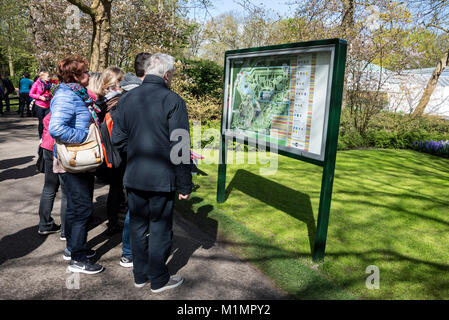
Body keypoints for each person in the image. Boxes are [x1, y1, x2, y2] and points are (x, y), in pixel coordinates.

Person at [111, 53, 192, 292]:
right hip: (161, 178)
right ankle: (157, 279)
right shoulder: (173, 100)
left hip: (135, 175)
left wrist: (136, 153)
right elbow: (180, 145)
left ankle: (140, 275)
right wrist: (185, 183)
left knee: (137, 225)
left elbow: (118, 139)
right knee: (159, 228)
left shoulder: (126, 99)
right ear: (167, 74)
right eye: (172, 74)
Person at [49, 55, 103, 275]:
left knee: (75, 207)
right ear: (74, 76)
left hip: (81, 161)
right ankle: (78, 259)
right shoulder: (66, 96)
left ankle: (74, 248)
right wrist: (84, 137)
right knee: (81, 209)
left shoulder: (76, 94)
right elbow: (56, 128)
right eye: (84, 72)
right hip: (75, 159)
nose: (88, 75)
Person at [118, 52, 152, 268]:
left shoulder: (126, 93)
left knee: (136, 208)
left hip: (133, 160)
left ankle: (130, 250)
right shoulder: (137, 96)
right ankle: (129, 251)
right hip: (139, 161)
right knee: (138, 209)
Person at [94, 66, 126, 236]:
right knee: (118, 188)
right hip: (117, 151)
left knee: (115, 188)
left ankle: (113, 222)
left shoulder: (98, 101)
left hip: (105, 151)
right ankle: (117, 221)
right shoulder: (120, 102)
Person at [37, 112, 67, 239]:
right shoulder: (73, 101)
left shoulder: (56, 103)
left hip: (48, 146)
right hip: (63, 148)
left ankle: (45, 224)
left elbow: (45, 120)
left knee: (49, 187)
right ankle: (66, 231)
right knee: (67, 192)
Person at [30, 71, 53, 139]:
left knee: (48, 121)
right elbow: (31, 94)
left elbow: (51, 93)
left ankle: (47, 136)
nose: (49, 78)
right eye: (48, 76)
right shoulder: (36, 84)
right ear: (42, 77)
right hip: (39, 105)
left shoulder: (50, 83)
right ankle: (41, 137)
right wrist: (40, 97)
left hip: (48, 105)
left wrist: (51, 98)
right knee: (41, 122)